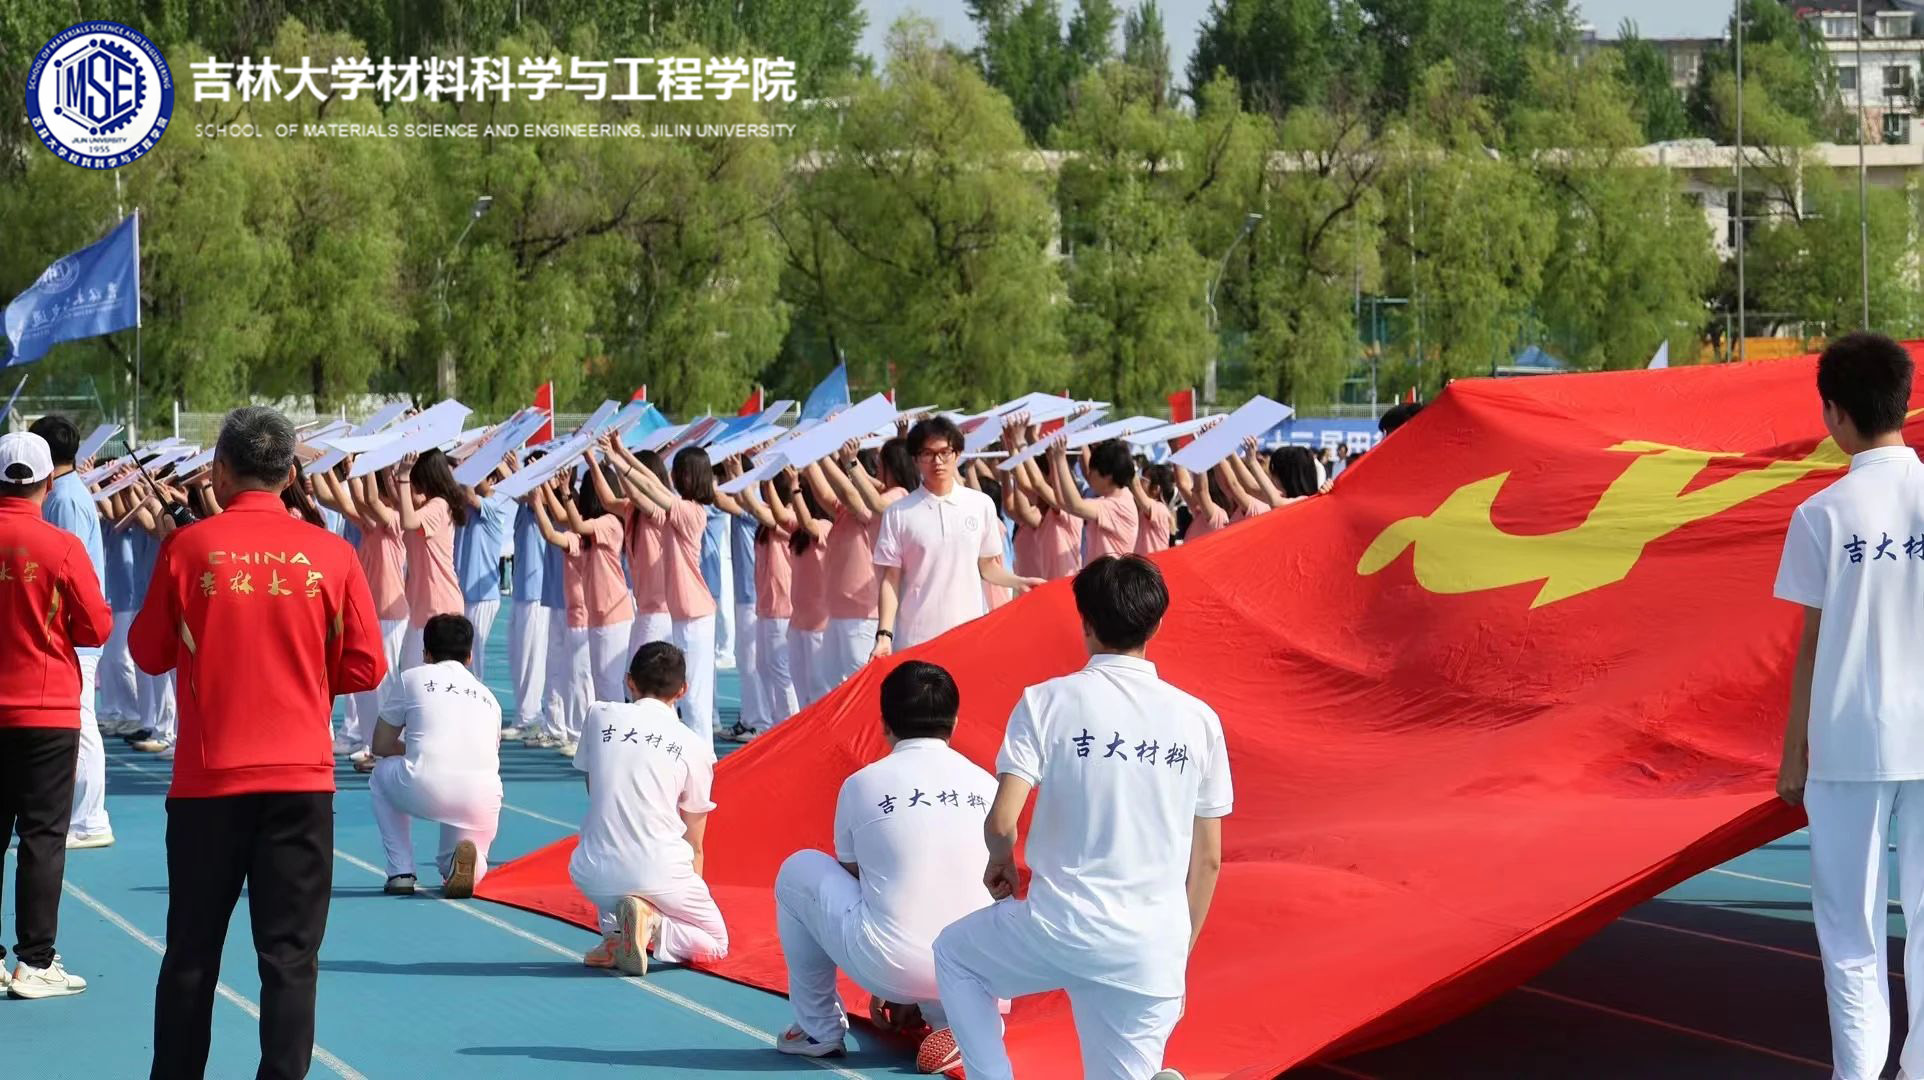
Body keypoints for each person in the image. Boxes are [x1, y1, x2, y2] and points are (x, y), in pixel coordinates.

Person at [131, 406, 386, 1080]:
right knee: (290, 959)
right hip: (301, 780)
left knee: (191, 953)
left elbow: (148, 652)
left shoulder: (190, 549)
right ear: (291, 473)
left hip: (209, 783)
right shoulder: (332, 554)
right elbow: (366, 667)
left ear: (219, 470)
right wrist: (305, 675)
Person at [930, 554, 1231, 1080]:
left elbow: (1001, 822)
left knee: (956, 956)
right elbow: (1207, 860)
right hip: (1150, 949)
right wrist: (1173, 954)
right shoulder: (1199, 720)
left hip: (1059, 929)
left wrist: (1000, 860)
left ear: (1086, 623)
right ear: (1157, 624)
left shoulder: (1046, 702)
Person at [1773, 331, 1924, 1080]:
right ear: (1904, 401)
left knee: (1850, 930)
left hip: (1848, 739)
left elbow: (1809, 643)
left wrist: (1790, 750)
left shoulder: (1820, 514)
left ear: (1835, 413)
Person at [772, 661, 997, 1060]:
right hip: (982, 966)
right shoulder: (987, 783)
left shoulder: (863, 783)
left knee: (798, 870)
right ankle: (960, 1024)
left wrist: (890, 977)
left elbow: (856, 878)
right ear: (954, 722)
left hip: (896, 963)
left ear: (884, 724)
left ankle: (817, 1028)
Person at [0, 431, 113, 999]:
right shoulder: (60, 546)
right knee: (43, 837)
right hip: (44, 709)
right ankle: (35, 962)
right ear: (48, 482)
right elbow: (95, 626)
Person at [569, 641, 729, 975]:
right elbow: (695, 842)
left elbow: (595, 789)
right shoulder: (695, 747)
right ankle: (652, 925)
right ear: (683, 690)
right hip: (658, 871)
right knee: (716, 942)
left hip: (591, 871)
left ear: (630, 681)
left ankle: (615, 936)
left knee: (614, 833)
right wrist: (677, 908)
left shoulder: (599, 715)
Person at [871, 417, 1041, 660]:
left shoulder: (980, 504)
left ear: (957, 454)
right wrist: (884, 635)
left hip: (969, 636)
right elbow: (891, 579)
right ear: (915, 459)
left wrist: (1019, 582)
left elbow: (987, 567)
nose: (937, 461)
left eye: (945, 452)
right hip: (916, 640)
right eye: (928, 454)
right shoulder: (898, 512)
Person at [368, 613, 503, 899]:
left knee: (380, 774)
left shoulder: (412, 678)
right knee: (459, 858)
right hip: (482, 794)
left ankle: (401, 871)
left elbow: (380, 744)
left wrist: (414, 750)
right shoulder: (490, 698)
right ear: (469, 657)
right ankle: (470, 865)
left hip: (424, 785)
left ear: (426, 654)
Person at [28, 416, 113, 849]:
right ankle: (82, 815)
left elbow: (66, 565)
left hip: (76, 628)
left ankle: (90, 817)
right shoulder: (65, 492)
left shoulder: (64, 499)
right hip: (74, 627)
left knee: (81, 721)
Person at [614, 444, 725, 740]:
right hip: (683, 614)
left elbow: (652, 486)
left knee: (694, 699)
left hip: (695, 614)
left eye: (678, 470)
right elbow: (644, 490)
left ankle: (706, 760)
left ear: (689, 476)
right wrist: (619, 455)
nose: (672, 475)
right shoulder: (673, 510)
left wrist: (619, 458)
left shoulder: (691, 512)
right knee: (686, 697)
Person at [395, 449, 468, 670]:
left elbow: (408, 521)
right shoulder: (428, 505)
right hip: (423, 608)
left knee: (426, 679)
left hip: (439, 608)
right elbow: (402, 503)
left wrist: (403, 477)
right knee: (412, 675)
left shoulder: (438, 506)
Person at [505, 453, 551, 741]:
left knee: (531, 657)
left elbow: (531, 493)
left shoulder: (541, 502)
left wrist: (513, 468)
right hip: (522, 589)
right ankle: (525, 714)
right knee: (518, 655)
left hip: (536, 591)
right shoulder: (525, 503)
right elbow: (517, 492)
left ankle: (530, 717)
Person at [452, 467, 512, 682]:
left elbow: (470, 496)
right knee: (460, 653)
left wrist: (473, 464)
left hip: (482, 596)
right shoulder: (467, 507)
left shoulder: (494, 507)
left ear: (492, 479)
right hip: (465, 592)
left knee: (473, 653)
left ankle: (475, 695)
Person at [1047, 437, 1139, 566]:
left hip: (1111, 577)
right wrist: (1054, 460)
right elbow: (1064, 503)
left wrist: (1060, 459)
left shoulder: (1121, 505)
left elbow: (1075, 505)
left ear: (1108, 476)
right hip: (1098, 575)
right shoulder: (1108, 500)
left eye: (1092, 472)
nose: (1089, 476)